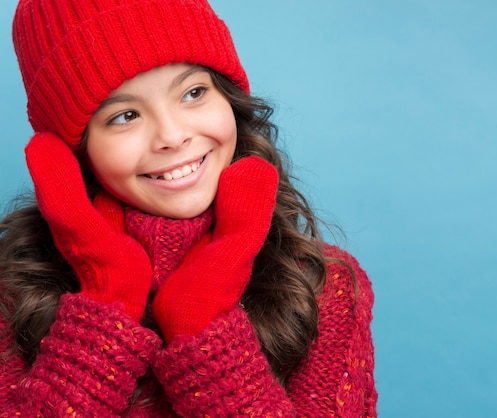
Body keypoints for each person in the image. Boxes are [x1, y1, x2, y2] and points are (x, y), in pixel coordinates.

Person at [0, 0, 377, 416]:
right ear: (75, 150)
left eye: (193, 92)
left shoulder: (322, 285)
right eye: (125, 116)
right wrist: (106, 300)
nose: (173, 136)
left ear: (229, 98)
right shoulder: (12, 294)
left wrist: (203, 323)